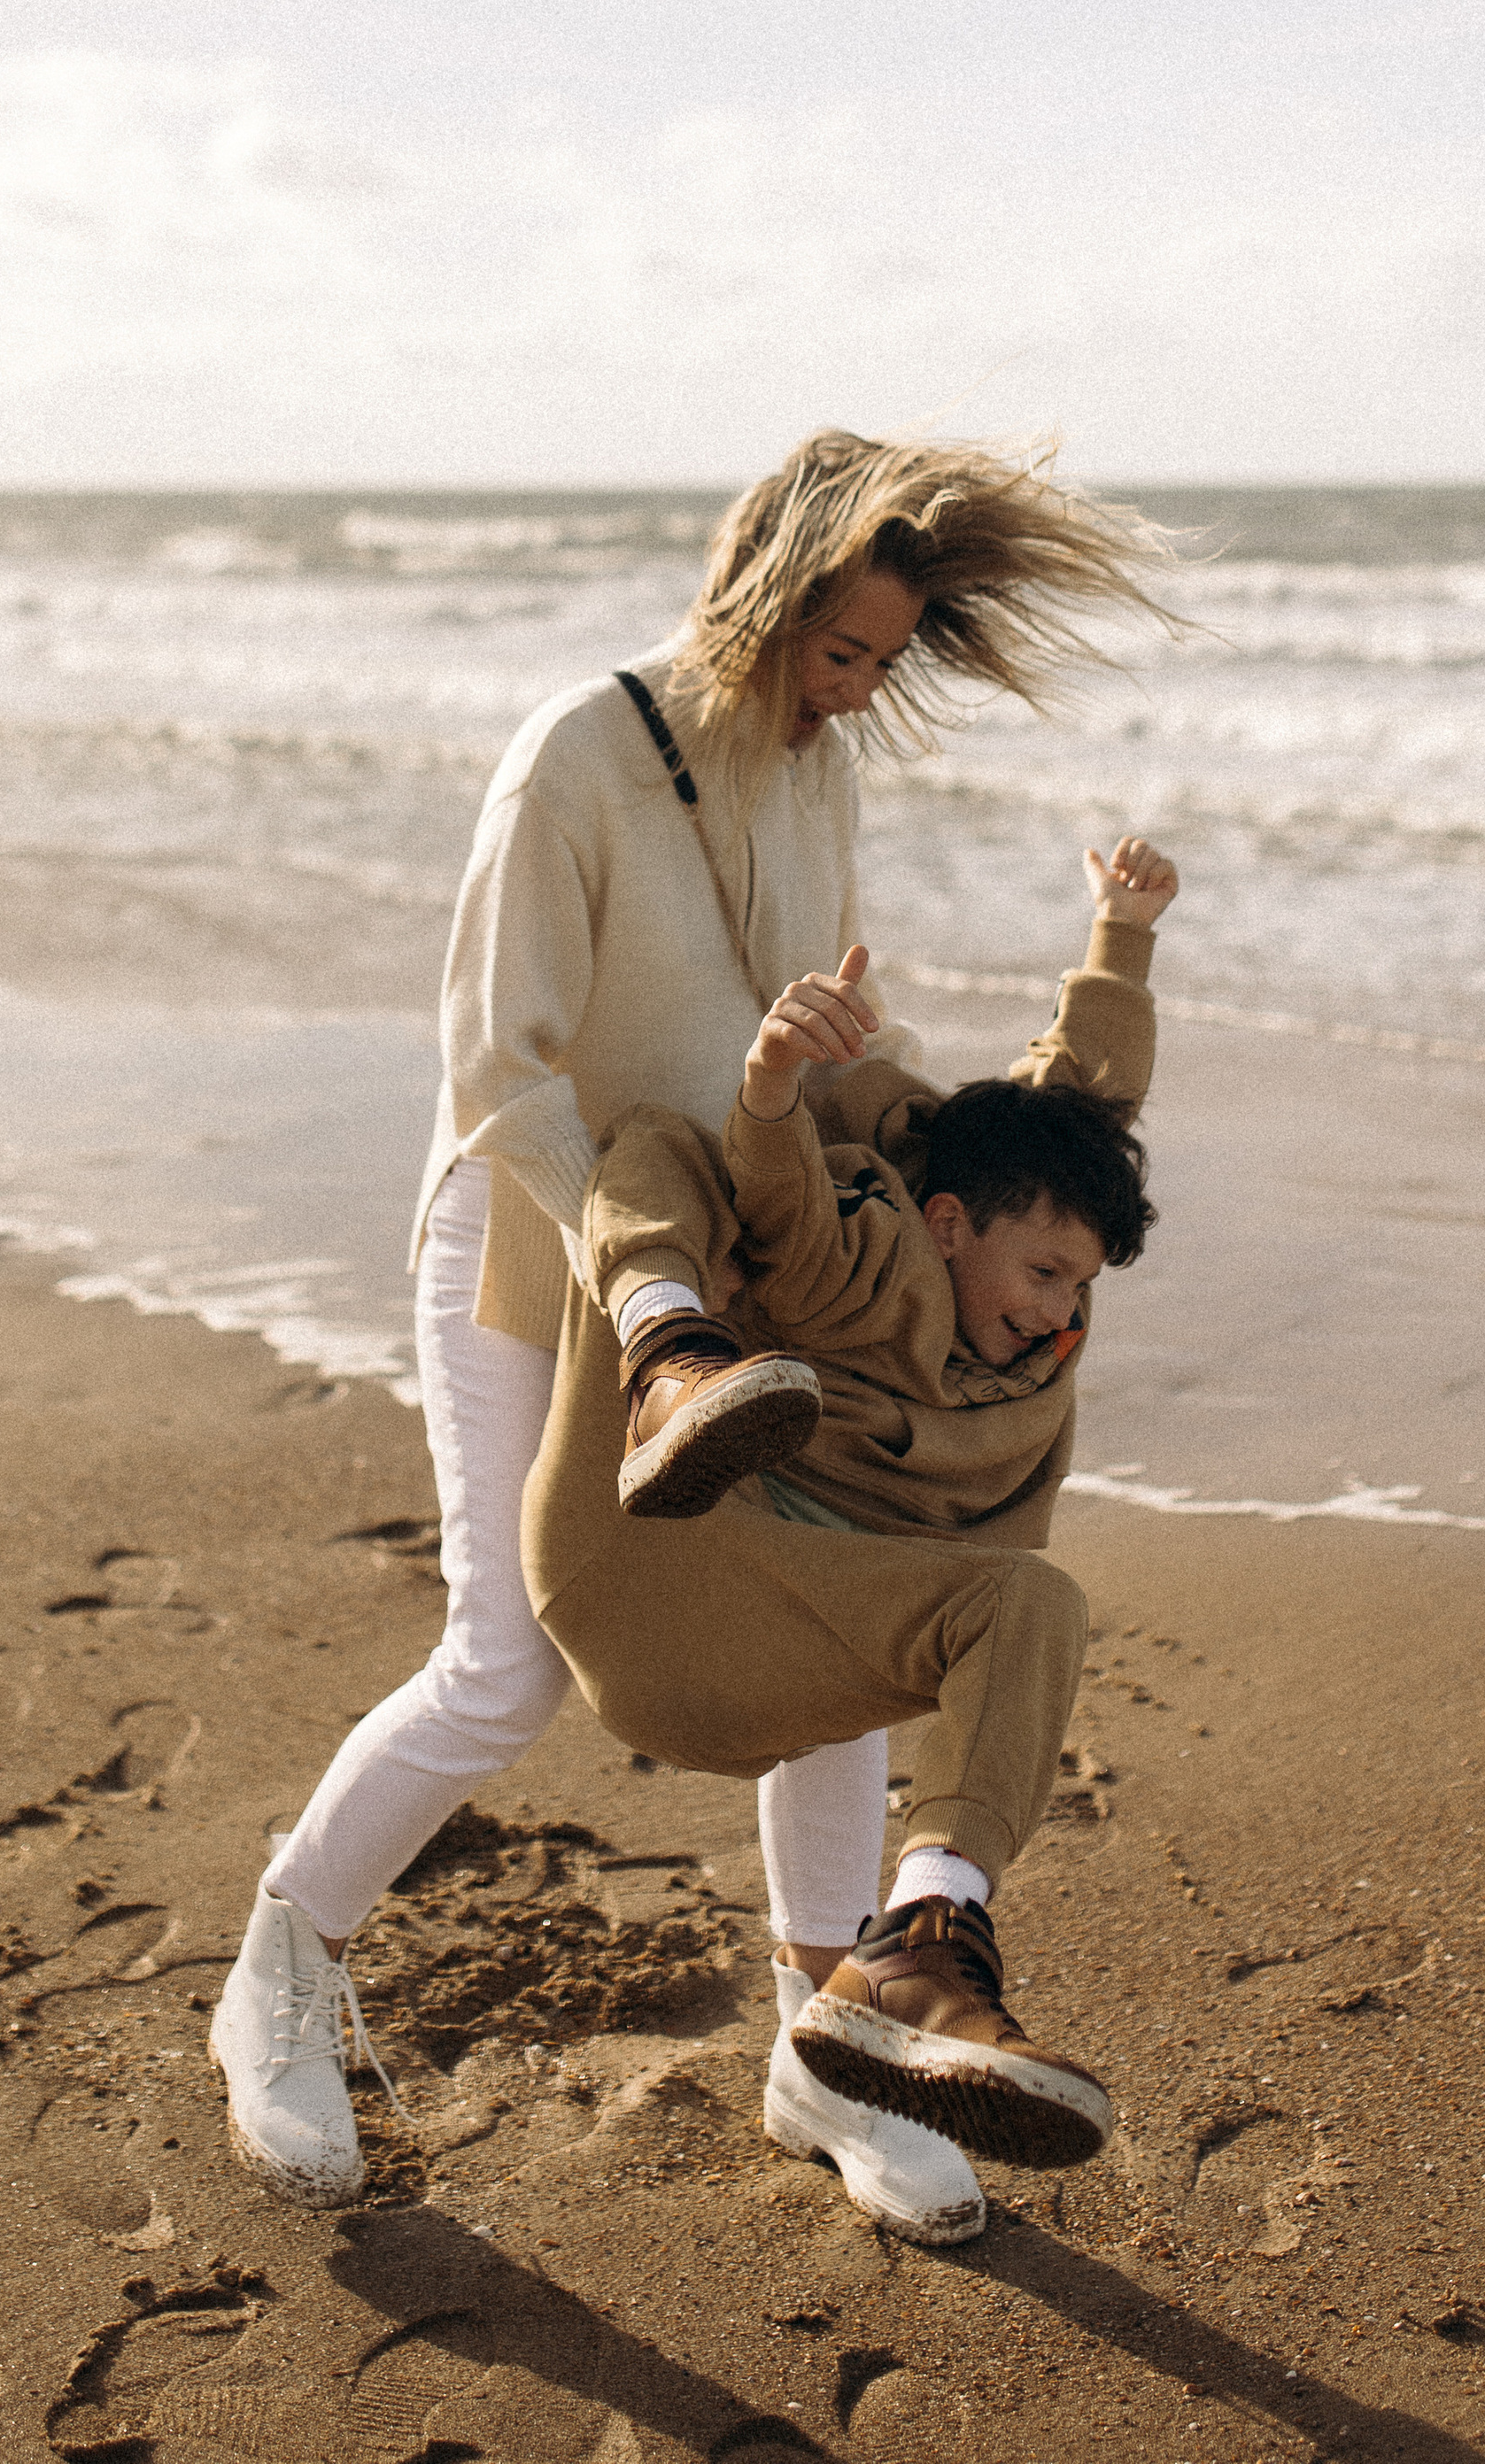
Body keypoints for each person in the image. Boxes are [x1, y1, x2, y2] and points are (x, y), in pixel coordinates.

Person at [211, 430, 1171, 2236]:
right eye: (839, 650)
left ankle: (821, 2050)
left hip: (734, 1243)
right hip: (535, 1229)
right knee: (503, 1665)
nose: (857, 690)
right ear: (761, 592)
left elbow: (812, 1026)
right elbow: (498, 1071)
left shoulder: (819, 775)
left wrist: (961, 1142)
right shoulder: (575, 753)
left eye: (885, 661)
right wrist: (645, 1291)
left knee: (837, 1617)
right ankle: (277, 1975)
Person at [526, 837, 1175, 2215]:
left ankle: (921, 1946)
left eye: (1082, 1284)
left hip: (834, 1604)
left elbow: (1089, 1088)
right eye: (1045, 1273)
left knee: (1034, 1606)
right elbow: (787, 1207)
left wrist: (1123, 929)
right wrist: (771, 1082)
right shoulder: (879, 1256)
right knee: (659, 1141)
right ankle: (670, 1359)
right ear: (947, 1224)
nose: (1061, 1313)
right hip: (675, 1594)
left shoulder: (1026, 1249)